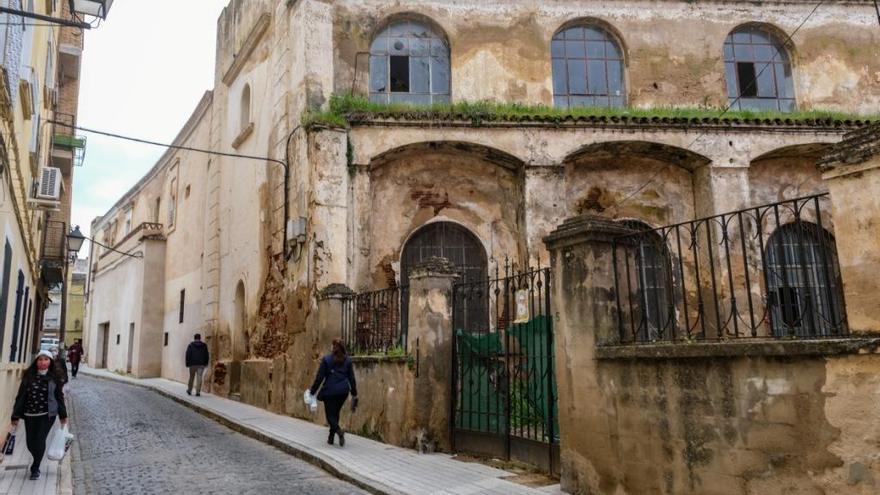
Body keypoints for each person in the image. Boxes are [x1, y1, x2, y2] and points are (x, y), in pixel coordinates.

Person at [10, 350, 68, 480]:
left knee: (40, 441)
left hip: (47, 416)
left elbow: (59, 397)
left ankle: (35, 468)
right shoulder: (28, 377)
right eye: (40, 359)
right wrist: (15, 416)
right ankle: (37, 460)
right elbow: (20, 397)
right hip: (29, 414)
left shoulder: (55, 378)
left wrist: (63, 415)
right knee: (30, 443)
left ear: (50, 362)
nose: (43, 362)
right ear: (36, 362)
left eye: (46, 359)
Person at [309, 339, 358, 447]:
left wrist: (312, 392)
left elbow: (319, 378)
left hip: (329, 392)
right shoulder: (348, 361)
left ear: (333, 347)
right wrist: (354, 393)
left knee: (330, 416)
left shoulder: (327, 359)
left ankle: (339, 432)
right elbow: (352, 379)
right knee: (335, 413)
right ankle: (330, 438)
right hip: (343, 392)